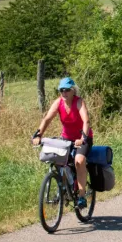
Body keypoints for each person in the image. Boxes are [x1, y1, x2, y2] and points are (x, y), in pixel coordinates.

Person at [32, 77, 94, 209]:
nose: (64, 93)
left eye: (67, 90)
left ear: (73, 91)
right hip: (66, 138)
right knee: (59, 161)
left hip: (83, 137)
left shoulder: (79, 102)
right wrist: (39, 134)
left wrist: (83, 138)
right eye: (61, 90)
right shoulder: (58, 102)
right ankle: (64, 189)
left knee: (79, 160)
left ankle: (82, 196)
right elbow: (47, 118)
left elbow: (86, 121)